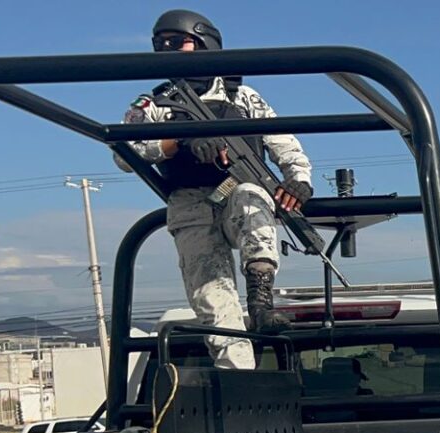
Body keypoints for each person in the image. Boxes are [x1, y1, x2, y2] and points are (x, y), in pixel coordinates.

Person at [115, 9, 314, 369]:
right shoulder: (156, 104)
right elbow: (126, 153)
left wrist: (298, 180)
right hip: (191, 203)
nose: (168, 50)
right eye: (161, 45)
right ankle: (242, 384)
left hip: (240, 189)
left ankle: (261, 300)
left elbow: (285, 142)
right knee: (215, 306)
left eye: (178, 42)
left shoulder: (245, 98)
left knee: (253, 200)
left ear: (204, 41)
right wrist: (179, 142)